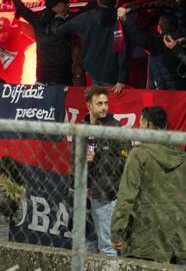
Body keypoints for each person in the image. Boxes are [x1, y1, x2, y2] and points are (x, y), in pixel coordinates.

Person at [109, 106, 186, 264]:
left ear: (147, 124)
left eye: (141, 122)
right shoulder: (182, 157)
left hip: (143, 237)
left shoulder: (139, 154)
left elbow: (126, 197)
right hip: (174, 238)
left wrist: (117, 231)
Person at [51, 0, 127, 90]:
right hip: (112, 75)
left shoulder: (86, 18)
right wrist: (121, 79)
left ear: (98, 1)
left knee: (98, 103)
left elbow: (59, 30)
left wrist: (57, 18)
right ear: (115, 1)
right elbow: (122, 51)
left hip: (93, 72)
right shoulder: (119, 21)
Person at [82, 86, 128, 257]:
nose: (104, 107)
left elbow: (124, 162)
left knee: (108, 247)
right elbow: (73, 161)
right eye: (99, 103)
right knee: (87, 244)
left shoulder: (115, 127)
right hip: (83, 194)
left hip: (105, 194)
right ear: (89, 105)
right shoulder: (82, 127)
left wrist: (98, 157)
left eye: (106, 103)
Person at [5, 0, 72, 85]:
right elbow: (87, 10)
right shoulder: (68, 21)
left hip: (42, 80)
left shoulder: (37, 20)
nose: (68, 7)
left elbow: (21, 8)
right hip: (61, 82)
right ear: (58, 5)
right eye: (66, 4)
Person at [118, 10, 186, 90]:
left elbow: (140, 37)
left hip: (166, 90)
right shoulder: (185, 39)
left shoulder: (160, 42)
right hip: (185, 89)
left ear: (159, 28)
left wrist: (126, 19)